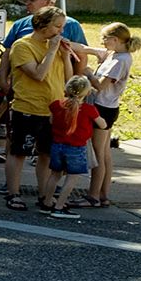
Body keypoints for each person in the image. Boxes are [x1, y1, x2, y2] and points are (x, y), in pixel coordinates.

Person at [2, 5, 87, 212]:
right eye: (57, 26)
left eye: (62, 27)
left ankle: (44, 195)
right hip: (28, 107)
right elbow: (38, 74)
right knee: (19, 152)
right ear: (42, 25)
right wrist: (50, 51)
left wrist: (65, 55)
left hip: (54, 110)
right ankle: (14, 193)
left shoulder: (56, 46)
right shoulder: (23, 46)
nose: (60, 31)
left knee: (46, 155)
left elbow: (69, 78)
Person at [88, 23, 137, 208]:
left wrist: (87, 74)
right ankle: (103, 194)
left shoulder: (119, 60)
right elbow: (92, 49)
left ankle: (93, 195)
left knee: (98, 153)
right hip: (109, 106)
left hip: (103, 107)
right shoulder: (116, 55)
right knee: (105, 153)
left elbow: (100, 85)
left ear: (115, 40)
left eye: (105, 38)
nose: (102, 41)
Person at [43, 74, 101, 217]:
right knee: (72, 177)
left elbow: (51, 121)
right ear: (87, 93)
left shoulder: (57, 105)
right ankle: (59, 206)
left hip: (57, 145)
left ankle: (47, 202)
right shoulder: (88, 109)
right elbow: (102, 123)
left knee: (54, 175)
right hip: (76, 147)